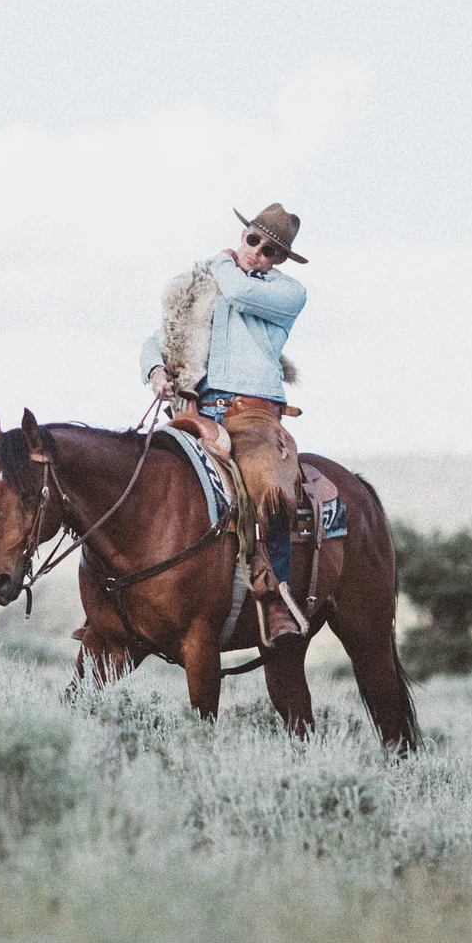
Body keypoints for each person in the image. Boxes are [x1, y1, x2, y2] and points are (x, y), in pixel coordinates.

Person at [140, 204, 310, 646]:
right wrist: (157, 371)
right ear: (244, 236)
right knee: (146, 473)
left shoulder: (287, 292)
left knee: (265, 484)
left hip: (254, 414)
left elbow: (235, 291)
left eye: (271, 251)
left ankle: (276, 600)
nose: (258, 254)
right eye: (253, 241)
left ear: (279, 260)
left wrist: (219, 263)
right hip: (200, 410)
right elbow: (157, 338)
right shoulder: (210, 288)